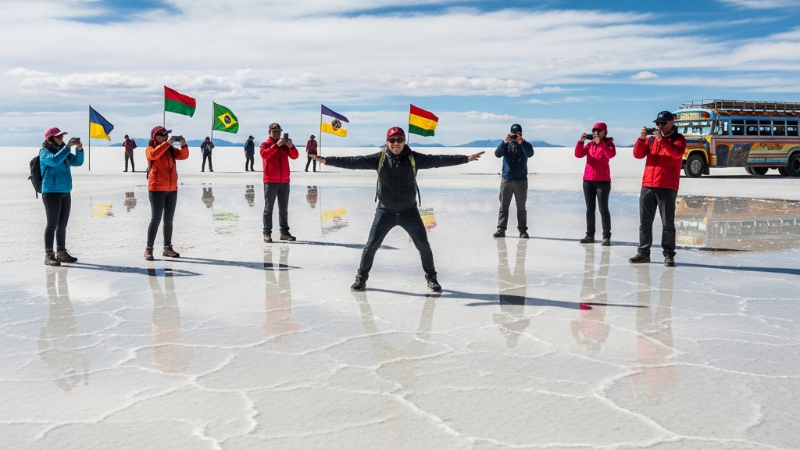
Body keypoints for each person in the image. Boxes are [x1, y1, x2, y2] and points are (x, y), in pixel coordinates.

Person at [310, 127, 484, 292]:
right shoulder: (379, 158)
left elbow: (438, 160)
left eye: (399, 139)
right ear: (387, 141)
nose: (396, 143)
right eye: (392, 140)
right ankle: (361, 277)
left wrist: (465, 158)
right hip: (385, 211)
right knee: (371, 246)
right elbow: (354, 162)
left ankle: (431, 278)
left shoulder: (413, 158)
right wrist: (327, 160)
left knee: (423, 246)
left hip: (410, 212)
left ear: (404, 141)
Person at [629, 111, 687, 267]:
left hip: (667, 185)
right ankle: (643, 253)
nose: (659, 126)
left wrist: (664, 141)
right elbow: (638, 155)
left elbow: (676, 154)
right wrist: (642, 140)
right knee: (644, 222)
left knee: (668, 223)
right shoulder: (651, 139)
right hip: (648, 184)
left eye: (662, 123)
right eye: (657, 123)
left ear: (671, 123)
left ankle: (669, 255)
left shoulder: (678, 139)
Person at [39, 127, 84, 266]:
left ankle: (61, 252)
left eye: (62, 137)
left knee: (62, 225)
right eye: (58, 137)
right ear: (50, 138)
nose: (61, 139)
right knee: (52, 224)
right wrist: (68, 148)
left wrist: (79, 149)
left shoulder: (64, 151)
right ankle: (49, 255)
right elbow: (54, 161)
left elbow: (77, 162)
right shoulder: (44, 152)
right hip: (51, 192)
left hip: (65, 191)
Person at [145, 126, 189, 260]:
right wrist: (168, 143)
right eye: (162, 134)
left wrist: (183, 144)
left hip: (171, 189)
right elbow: (154, 155)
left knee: (168, 220)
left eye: (166, 135)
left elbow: (183, 156)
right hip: (157, 188)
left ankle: (167, 248)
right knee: (156, 219)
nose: (164, 136)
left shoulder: (170, 150)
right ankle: (149, 249)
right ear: (155, 137)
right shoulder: (150, 149)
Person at [575, 123, 616, 245]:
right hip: (588, 180)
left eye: (599, 131)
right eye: (594, 131)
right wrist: (581, 142)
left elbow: (610, 154)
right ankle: (590, 235)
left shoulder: (609, 144)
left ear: (604, 132)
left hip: (603, 181)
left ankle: (606, 236)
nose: (596, 133)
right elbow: (578, 154)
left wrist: (601, 144)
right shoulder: (590, 145)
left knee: (603, 209)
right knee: (590, 209)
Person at [494, 124, 534, 239]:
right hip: (506, 179)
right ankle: (501, 229)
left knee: (521, 207)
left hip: (521, 180)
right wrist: (504, 142)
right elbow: (497, 154)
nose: (516, 135)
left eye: (518, 133)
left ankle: (522, 231)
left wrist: (522, 142)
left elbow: (530, 154)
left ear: (521, 133)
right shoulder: (506, 144)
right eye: (514, 133)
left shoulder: (525, 144)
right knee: (503, 206)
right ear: (510, 133)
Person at [261, 123, 299, 242]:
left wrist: (291, 146)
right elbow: (264, 155)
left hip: (284, 181)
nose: (277, 133)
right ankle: (267, 233)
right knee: (269, 208)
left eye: (278, 131)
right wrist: (276, 146)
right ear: (270, 132)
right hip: (270, 180)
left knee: (283, 209)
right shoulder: (265, 144)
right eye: (274, 131)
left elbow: (295, 156)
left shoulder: (284, 146)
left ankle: (284, 232)